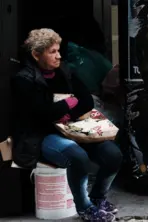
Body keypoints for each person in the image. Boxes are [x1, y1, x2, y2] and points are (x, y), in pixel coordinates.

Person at [12, 29, 122, 222]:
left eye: (58, 50)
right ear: (36, 55)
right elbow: (41, 113)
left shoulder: (65, 71)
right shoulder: (23, 79)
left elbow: (86, 101)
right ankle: (85, 207)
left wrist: (65, 112)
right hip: (42, 136)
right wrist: (68, 103)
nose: (59, 56)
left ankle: (98, 198)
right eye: (52, 52)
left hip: (73, 127)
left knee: (113, 154)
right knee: (77, 156)